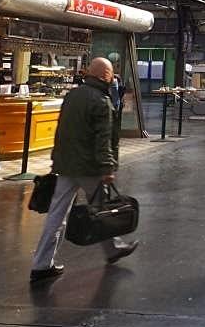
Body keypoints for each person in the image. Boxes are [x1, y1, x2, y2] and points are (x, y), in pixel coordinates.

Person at [29, 57, 137, 284]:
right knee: (101, 209)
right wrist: (107, 167)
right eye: (110, 73)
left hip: (66, 165)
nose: (112, 77)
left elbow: (62, 130)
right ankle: (113, 248)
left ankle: (41, 264)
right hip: (89, 167)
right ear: (103, 75)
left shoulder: (72, 95)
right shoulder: (101, 101)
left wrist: (56, 158)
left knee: (57, 214)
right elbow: (103, 139)